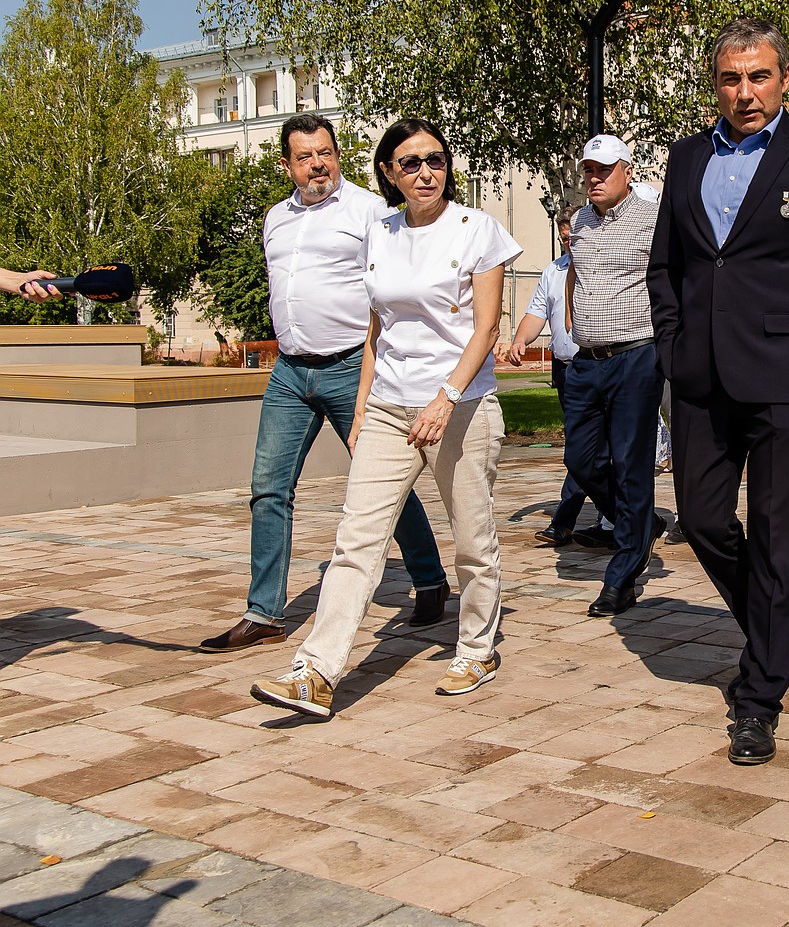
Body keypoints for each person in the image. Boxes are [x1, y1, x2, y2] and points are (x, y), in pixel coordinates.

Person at [648, 16, 789, 766]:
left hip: (786, 373)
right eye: (730, 78)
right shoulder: (685, 159)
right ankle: (780, 624)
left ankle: (759, 696)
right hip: (701, 377)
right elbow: (667, 266)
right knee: (702, 519)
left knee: (780, 536)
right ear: (714, 84)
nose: (745, 92)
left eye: (759, 77)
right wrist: (674, 344)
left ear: (783, 80)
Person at [251, 117, 521, 716]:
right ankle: (316, 672)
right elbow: (377, 330)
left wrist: (445, 399)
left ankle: (477, 646)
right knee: (356, 540)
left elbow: (485, 328)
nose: (426, 172)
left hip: (462, 407)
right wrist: (364, 408)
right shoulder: (382, 232)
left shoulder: (479, 230)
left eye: (435, 160)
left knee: (473, 540)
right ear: (389, 174)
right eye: (410, 163)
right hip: (388, 407)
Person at [201, 113, 448, 654]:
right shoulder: (274, 219)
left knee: (381, 479)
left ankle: (429, 581)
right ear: (287, 164)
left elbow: (388, 292)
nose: (319, 164)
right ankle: (264, 613)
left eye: (326, 153)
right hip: (289, 372)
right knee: (268, 488)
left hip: (348, 368)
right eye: (306, 156)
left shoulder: (369, 213)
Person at [563, 134, 666, 617]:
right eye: (588, 169)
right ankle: (638, 526)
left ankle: (622, 574)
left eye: (604, 169)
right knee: (581, 460)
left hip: (636, 356)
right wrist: (570, 319)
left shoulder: (653, 219)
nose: (594, 178)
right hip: (586, 360)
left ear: (627, 170)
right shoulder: (579, 221)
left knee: (630, 462)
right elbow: (572, 273)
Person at [495, 205, 613, 546]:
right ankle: (622, 520)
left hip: (603, 365)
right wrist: (519, 341)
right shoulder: (553, 271)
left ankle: (572, 521)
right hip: (567, 371)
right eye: (563, 239)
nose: (568, 244)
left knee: (594, 449)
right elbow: (536, 314)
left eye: (572, 238)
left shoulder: (606, 266)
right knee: (585, 450)